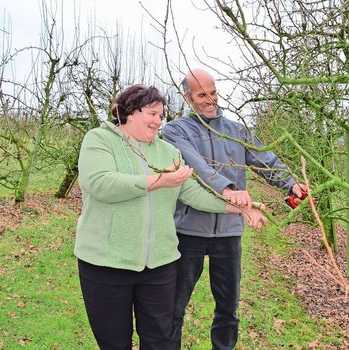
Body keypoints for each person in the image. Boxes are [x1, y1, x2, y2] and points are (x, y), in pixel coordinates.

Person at [75, 84, 266, 350]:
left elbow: (194, 194)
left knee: (161, 341)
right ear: (129, 111)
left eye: (160, 116)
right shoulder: (100, 139)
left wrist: (241, 207)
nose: (157, 121)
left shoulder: (168, 153)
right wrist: (159, 181)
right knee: (114, 342)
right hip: (107, 264)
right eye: (151, 113)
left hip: (159, 266)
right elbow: (101, 184)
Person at [163, 69, 307, 350]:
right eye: (202, 94)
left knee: (228, 310)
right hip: (188, 231)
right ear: (187, 98)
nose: (210, 99)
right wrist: (227, 189)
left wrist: (290, 184)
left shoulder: (236, 130)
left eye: (213, 92)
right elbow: (196, 166)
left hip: (228, 234)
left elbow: (265, 159)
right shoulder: (175, 131)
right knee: (174, 308)